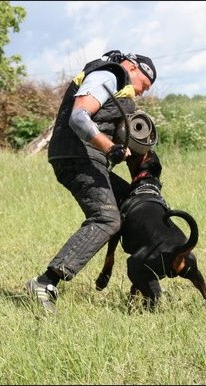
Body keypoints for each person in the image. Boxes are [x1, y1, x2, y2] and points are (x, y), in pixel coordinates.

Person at [25, 50, 157, 313]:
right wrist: (109, 147)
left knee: (134, 203)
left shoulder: (117, 84)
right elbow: (79, 117)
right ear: (132, 67)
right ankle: (45, 282)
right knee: (106, 217)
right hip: (76, 156)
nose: (142, 93)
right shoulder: (109, 73)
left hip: (89, 157)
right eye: (144, 85)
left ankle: (143, 283)